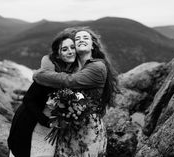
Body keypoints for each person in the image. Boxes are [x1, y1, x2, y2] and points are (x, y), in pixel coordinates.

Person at [33, 27, 119, 157]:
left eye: (86, 38)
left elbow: (69, 81)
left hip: (88, 128)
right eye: (77, 39)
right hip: (68, 126)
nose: (81, 40)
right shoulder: (71, 65)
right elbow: (51, 57)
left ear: (93, 45)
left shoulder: (97, 67)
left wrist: (38, 74)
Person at [7, 28, 79, 157]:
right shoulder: (49, 74)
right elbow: (28, 100)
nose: (70, 51)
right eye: (64, 49)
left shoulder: (74, 73)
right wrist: (47, 121)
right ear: (57, 55)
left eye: (72, 47)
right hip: (30, 122)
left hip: (49, 128)